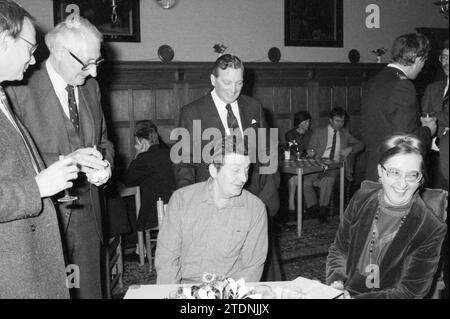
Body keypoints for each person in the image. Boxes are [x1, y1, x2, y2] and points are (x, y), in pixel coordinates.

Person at [6, 15, 114, 299]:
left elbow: (104, 141)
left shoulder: (92, 88)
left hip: (89, 216)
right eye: (87, 62)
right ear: (58, 52)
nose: (93, 73)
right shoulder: (17, 88)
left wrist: (104, 165)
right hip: (41, 219)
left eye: (97, 63)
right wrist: (69, 160)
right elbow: (16, 159)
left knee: (89, 292)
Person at [0, 0, 79, 298]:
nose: (34, 60)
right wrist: (37, 187)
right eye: (30, 48)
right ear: (5, 39)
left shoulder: (3, 95)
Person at [326, 133, 447, 298]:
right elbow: (340, 249)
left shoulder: (430, 228)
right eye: (394, 172)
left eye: (412, 175)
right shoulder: (361, 199)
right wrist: (336, 282)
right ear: (380, 172)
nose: (403, 184)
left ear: (420, 178)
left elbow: (409, 293)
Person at [173, 54, 280, 218]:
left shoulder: (253, 107)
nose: (233, 89)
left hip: (256, 199)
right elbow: (184, 166)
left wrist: (266, 200)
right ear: (213, 80)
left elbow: (268, 154)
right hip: (214, 205)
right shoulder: (191, 113)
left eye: (239, 83)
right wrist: (191, 203)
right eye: (227, 82)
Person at [155, 135, 268, 284]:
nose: (244, 178)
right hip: (184, 287)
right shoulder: (181, 200)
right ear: (214, 170)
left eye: (247, 170)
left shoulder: (255, 208)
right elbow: (166, 261)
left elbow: (252, 268)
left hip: (228, 290)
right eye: (235, 170)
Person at [361, 33, 437, 182]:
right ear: (417, 59)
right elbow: (407, 138)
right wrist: (428, 130)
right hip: (395, 173)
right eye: (424, 61)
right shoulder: (404, 85)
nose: (423, 67)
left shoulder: (374, 80)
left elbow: (369, 127)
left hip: (374, 168)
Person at [304, 107, 364, 223]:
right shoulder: (319, 131)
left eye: (342, 121)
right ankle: (314, 208)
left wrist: (350, 148)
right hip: (319, 163)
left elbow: (361, 144)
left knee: (328, 179)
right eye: (337, 121)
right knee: (305, 182)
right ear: (330, 120)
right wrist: (311, 151)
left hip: (335, 166)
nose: (340, 124)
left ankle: (322, 211)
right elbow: (311, 147)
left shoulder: (345, 133)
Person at [124, 120, 176, 231]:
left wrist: (137, 155)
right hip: (176, 211)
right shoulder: (171, 152)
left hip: (156, 217)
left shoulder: (143, 159)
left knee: (129, 206)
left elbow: (128, 181)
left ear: (141, 141)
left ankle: (139, 246)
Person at [421, 39, 449, 189]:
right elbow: (425, 118)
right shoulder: (432, 88)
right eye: (444, 58)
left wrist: (436, 115)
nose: (447, 62)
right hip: (433, 156)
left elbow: (432, 115)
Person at [285, 111, 312, 213]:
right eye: (305, 122)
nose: (308, 124)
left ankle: (293, 201)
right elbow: (292, 149)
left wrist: (310, 153)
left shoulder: (311, 134)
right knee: (294, 175)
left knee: (295, 175)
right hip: (295, 161)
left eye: (309, 122)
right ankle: (296, 201)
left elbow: (313, 148)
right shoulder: (290, 134)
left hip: (308, 162)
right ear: (299, 123)